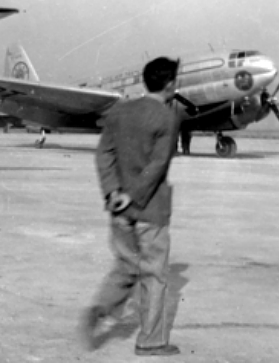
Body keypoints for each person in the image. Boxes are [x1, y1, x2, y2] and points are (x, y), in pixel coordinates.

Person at [82, 57, 181, 356]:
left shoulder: (119, 112)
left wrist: (114, 192)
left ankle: (101, 308)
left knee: (126, 266)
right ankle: (151, 342)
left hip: (118, 210)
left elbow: (103, 155)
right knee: (153, 275)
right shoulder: (168, 117)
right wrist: (134, 195)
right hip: (151, 210)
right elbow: (158, 163)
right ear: (170, 84)